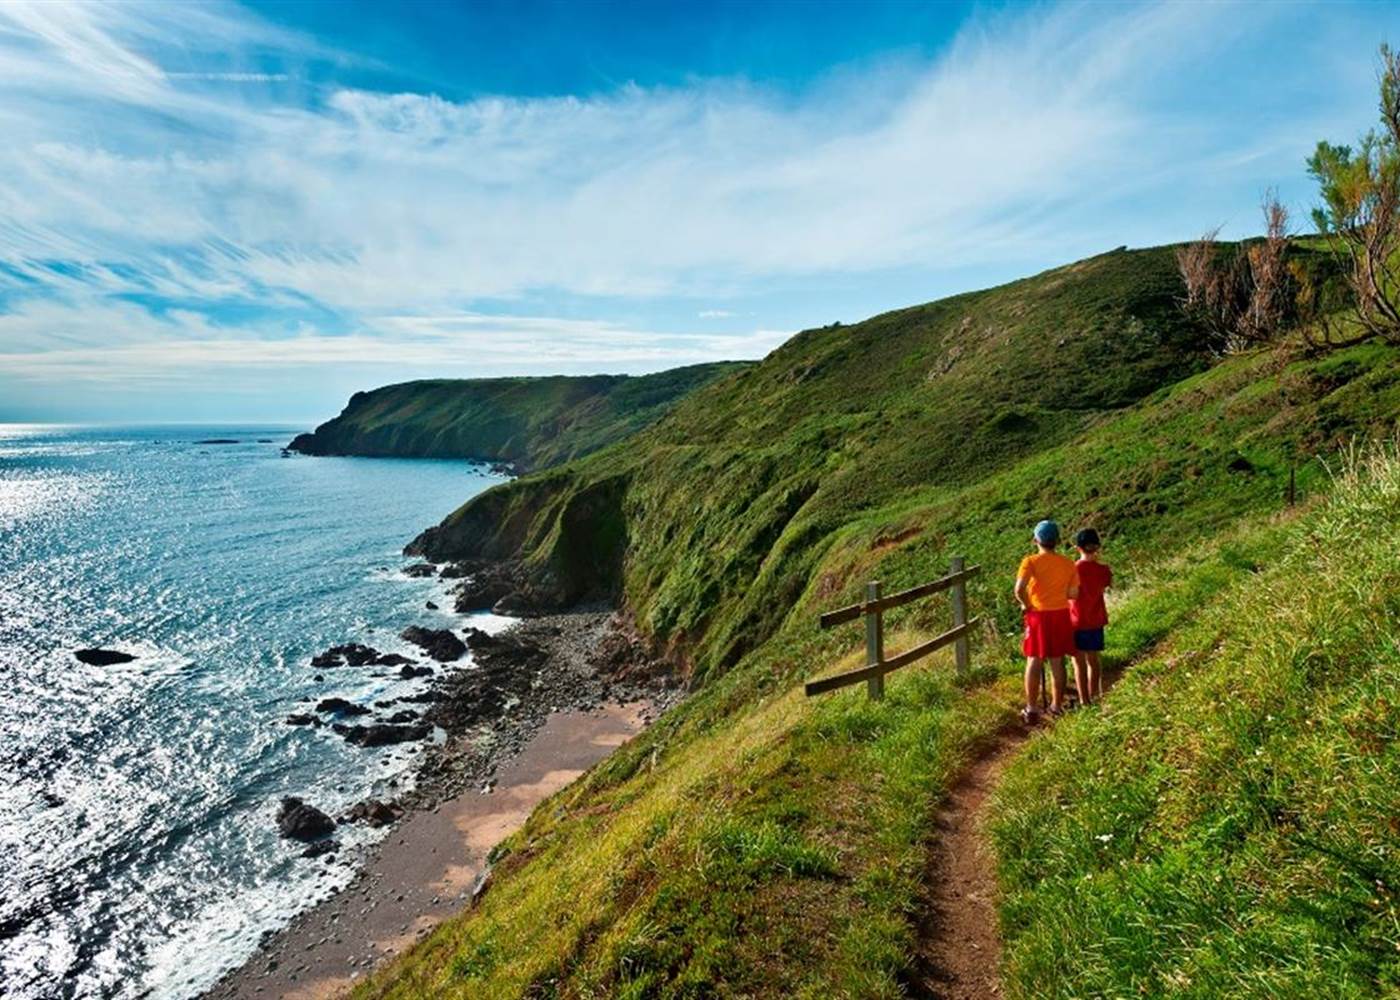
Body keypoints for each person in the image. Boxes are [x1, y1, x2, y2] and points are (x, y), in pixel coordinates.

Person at [1014, 519, 1078, 723]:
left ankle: (1031, 709)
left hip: (1038, 615)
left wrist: (1026, 604)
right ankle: (1056, 706)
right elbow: (1073, 594)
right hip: (1060, 614)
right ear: (1057, 541)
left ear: (1036, 540)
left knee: (1034, 659)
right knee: (1057, 660)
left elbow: (1019, 589)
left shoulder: (1030, 562)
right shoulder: (1068, 564)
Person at [1070, 527, 1112, 705]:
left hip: (1076, 621)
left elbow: (1070, 593)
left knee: (1078, 663)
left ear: (1077, 548)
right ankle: (1095, 695)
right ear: (1097, 547)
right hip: (1096, 620)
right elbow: (1105, 585)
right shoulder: (1104, 570)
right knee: (1093, 660)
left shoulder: (1073, 570)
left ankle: (1084, 700)